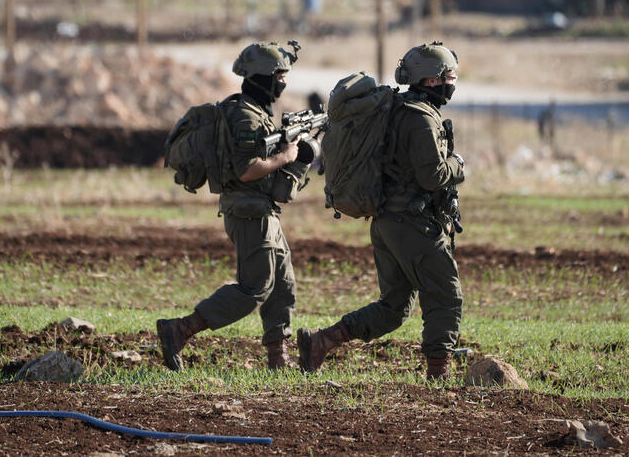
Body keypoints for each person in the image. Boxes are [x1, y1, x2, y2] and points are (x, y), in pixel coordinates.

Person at [297, 42, 465, 380]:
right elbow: (433, 176)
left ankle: (322, 341)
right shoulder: (421, 119)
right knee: (445, 295)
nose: (452, 82)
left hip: (388, 222)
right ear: (431, 81)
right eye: (448, 76)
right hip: (414, 225)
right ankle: (438, 374)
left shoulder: (396, 108)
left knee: (394, 308)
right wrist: (458, 166)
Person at [158, 41, 315, 371]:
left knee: (282, 286)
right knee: (254, 288)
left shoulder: (254, 110)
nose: (284, 82)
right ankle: (181, 329)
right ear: (262, 77)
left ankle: (278, 358)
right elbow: (247, 170)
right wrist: (285, 156)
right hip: (248, 212)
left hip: (262, 209)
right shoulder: (243, 114)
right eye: (280, 76)